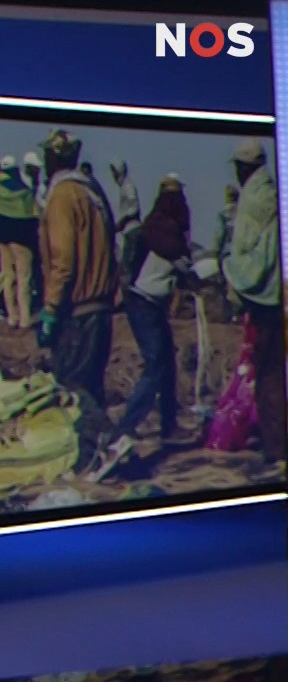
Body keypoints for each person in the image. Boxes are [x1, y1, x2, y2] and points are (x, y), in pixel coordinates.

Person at [87, 174, 194, 481]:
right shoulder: (163, 229)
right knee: (155, 366)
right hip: (143, 302)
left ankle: (168, 424)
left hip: (149, 302)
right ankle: (124, 429)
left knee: (166, 362)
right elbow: (176, 255)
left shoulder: (161, 226)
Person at [35, 129, 117, 459]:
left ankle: (109, 443)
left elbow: (63, 260)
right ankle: (96, 456)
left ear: (52, 158)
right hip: (101, 306)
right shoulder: (92, 192)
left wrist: (50, 309)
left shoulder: (62, 195)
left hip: (79, 309)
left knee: (71, 385)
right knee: (91, 385)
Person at [217, 137, 284, 466]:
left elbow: (245, 252)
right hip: (282, 294)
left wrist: (229, 271)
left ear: (244, 168)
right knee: (280, 371)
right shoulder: (273, 193)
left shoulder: (253, 200)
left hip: (264, 298)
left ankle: (276, 447)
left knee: (268, 375)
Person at [0, 155, 36, 329]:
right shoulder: (24, 191)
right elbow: (33, 215)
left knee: (8, 277)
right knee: (24, 278)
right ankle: (25, 319)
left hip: (2, 239)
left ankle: (12, 317)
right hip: (22, 240)